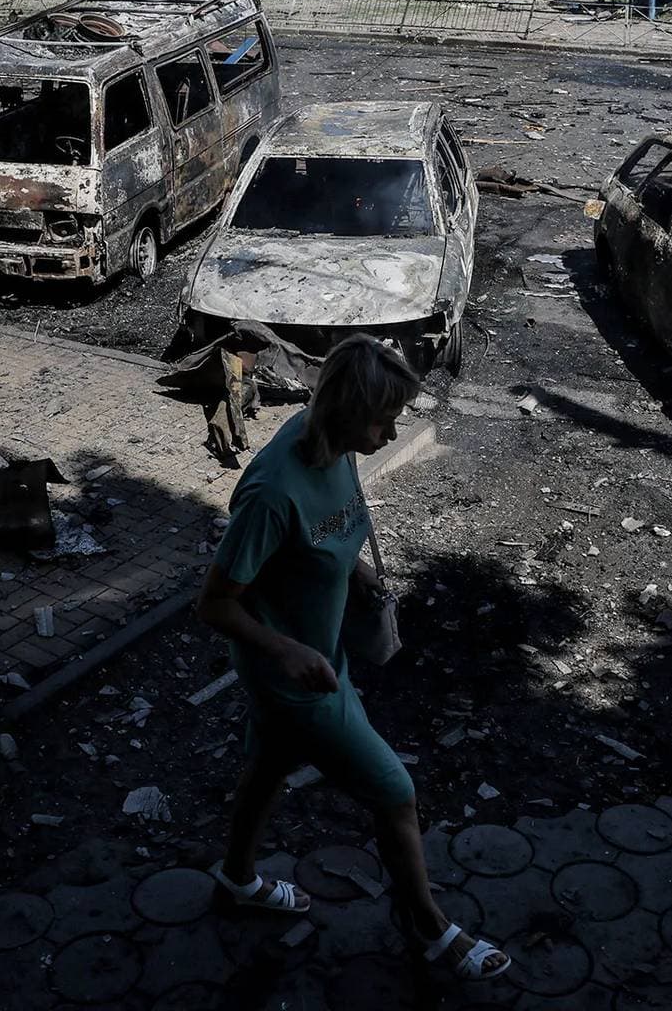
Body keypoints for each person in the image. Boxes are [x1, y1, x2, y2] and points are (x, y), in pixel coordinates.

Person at [196, 336, 512, 982]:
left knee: (268, 769)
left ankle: (236, 877)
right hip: (296, 679)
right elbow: (215, 605)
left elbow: (325, 534)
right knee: (396, 794)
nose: (391, 430)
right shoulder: (271, 491)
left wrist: (362, 575)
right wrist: (285, 650)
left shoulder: (336, 448)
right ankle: (426, 925)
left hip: (325, 653)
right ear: (343, 408)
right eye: (383, 417)